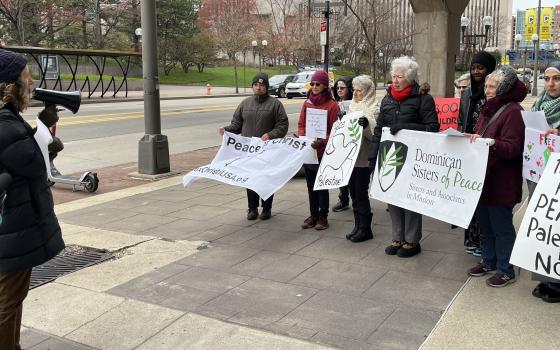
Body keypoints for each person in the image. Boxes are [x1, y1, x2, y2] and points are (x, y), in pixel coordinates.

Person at [0, 49, 65, 350]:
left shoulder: (8, 121)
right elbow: (34, 164)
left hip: (12, 229)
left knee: (12, 300)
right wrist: (43, 128)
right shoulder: (5, 124)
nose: (31, 82)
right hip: (10, 230)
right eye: (25, 76)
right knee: (6, 302)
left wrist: (42, 135)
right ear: (9, 86)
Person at [369, 56, 439, 258]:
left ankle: (412, 240)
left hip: (413, 158)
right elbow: (380, 129)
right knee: (392, 197)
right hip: (389, 154)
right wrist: (374, 157)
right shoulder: (388, 98)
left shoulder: (424, 99)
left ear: (410, 78)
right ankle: (397, 237)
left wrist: (406, 127)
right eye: (393, 76)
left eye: (399, 77)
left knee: (410, 200)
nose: (395, 80)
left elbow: (432, 128)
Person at [466, 65, 527, 288]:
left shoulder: (513, 112)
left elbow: (513, 149)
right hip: (484, 178)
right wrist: (474, 139)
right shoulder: (488, 108)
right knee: (485, 225)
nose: (487, 89)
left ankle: (505, 269)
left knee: (501, 227)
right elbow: (484, 136)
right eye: (487, 85)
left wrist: (489, 144)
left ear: (503, 88)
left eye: (492, 86)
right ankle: (489, 260)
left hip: (502, 181)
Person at [219, 73, 289, 220]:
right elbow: (236, 124)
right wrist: (226, 130)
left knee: (265, 178)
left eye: (262, 85)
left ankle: (266, 208)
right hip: (249, 150)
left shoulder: (275, 104)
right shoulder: (245, 104)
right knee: (250, 178)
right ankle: (252, 208)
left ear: (267, 87)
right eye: (256, 85)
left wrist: (271, 135)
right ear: (252, 87)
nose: (258, 88)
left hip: (267, 150)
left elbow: (282, 125)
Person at [458, 51, 496, 257]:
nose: (476, 72)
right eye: (474, 68)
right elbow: (461, 118)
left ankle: (485, 241)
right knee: (469, 194)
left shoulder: (493, 93)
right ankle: (471, 238)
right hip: (468, 149)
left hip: (485, 149)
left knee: (484, 197)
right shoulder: (466, 94)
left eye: (480, 68)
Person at [529, 61, 560, 302]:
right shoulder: (539, 104)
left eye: (556, 79)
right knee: (542, 225)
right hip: (539, 175)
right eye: (547, 78)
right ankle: (545, 277)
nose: (550, 84)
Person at [297, 70, 340, 230]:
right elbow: (302, 123)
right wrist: (303, 137)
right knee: (310, 185)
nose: (314, 87)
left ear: (325, 86)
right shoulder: (307, 103)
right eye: (312, 84)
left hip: (322, 151)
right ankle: (313, 214)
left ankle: (323, 216)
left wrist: (322, 141)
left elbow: (335, 131)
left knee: (321, 185)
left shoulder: (332, 105)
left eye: (318, 84)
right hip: (309, 150)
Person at [344, 75, 378, 243]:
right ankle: (357, 225)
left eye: (359, 90)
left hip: (364, 158)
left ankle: (366, 228)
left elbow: (375, 136)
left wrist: (366, 126)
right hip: (351, 157)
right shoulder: (352, 105)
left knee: (361, 192)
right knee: (353, 193)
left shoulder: (374, 107)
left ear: (368, 91)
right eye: (354, 90)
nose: (356, 93)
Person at [332, 76, 354, 213]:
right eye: (337, 88)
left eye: (342, 88)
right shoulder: (335, 103)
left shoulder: (354, 102)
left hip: (351, 141)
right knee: (341, 172)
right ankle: (343, 199)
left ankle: (354, 198)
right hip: (339, 141)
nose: (339, 90)